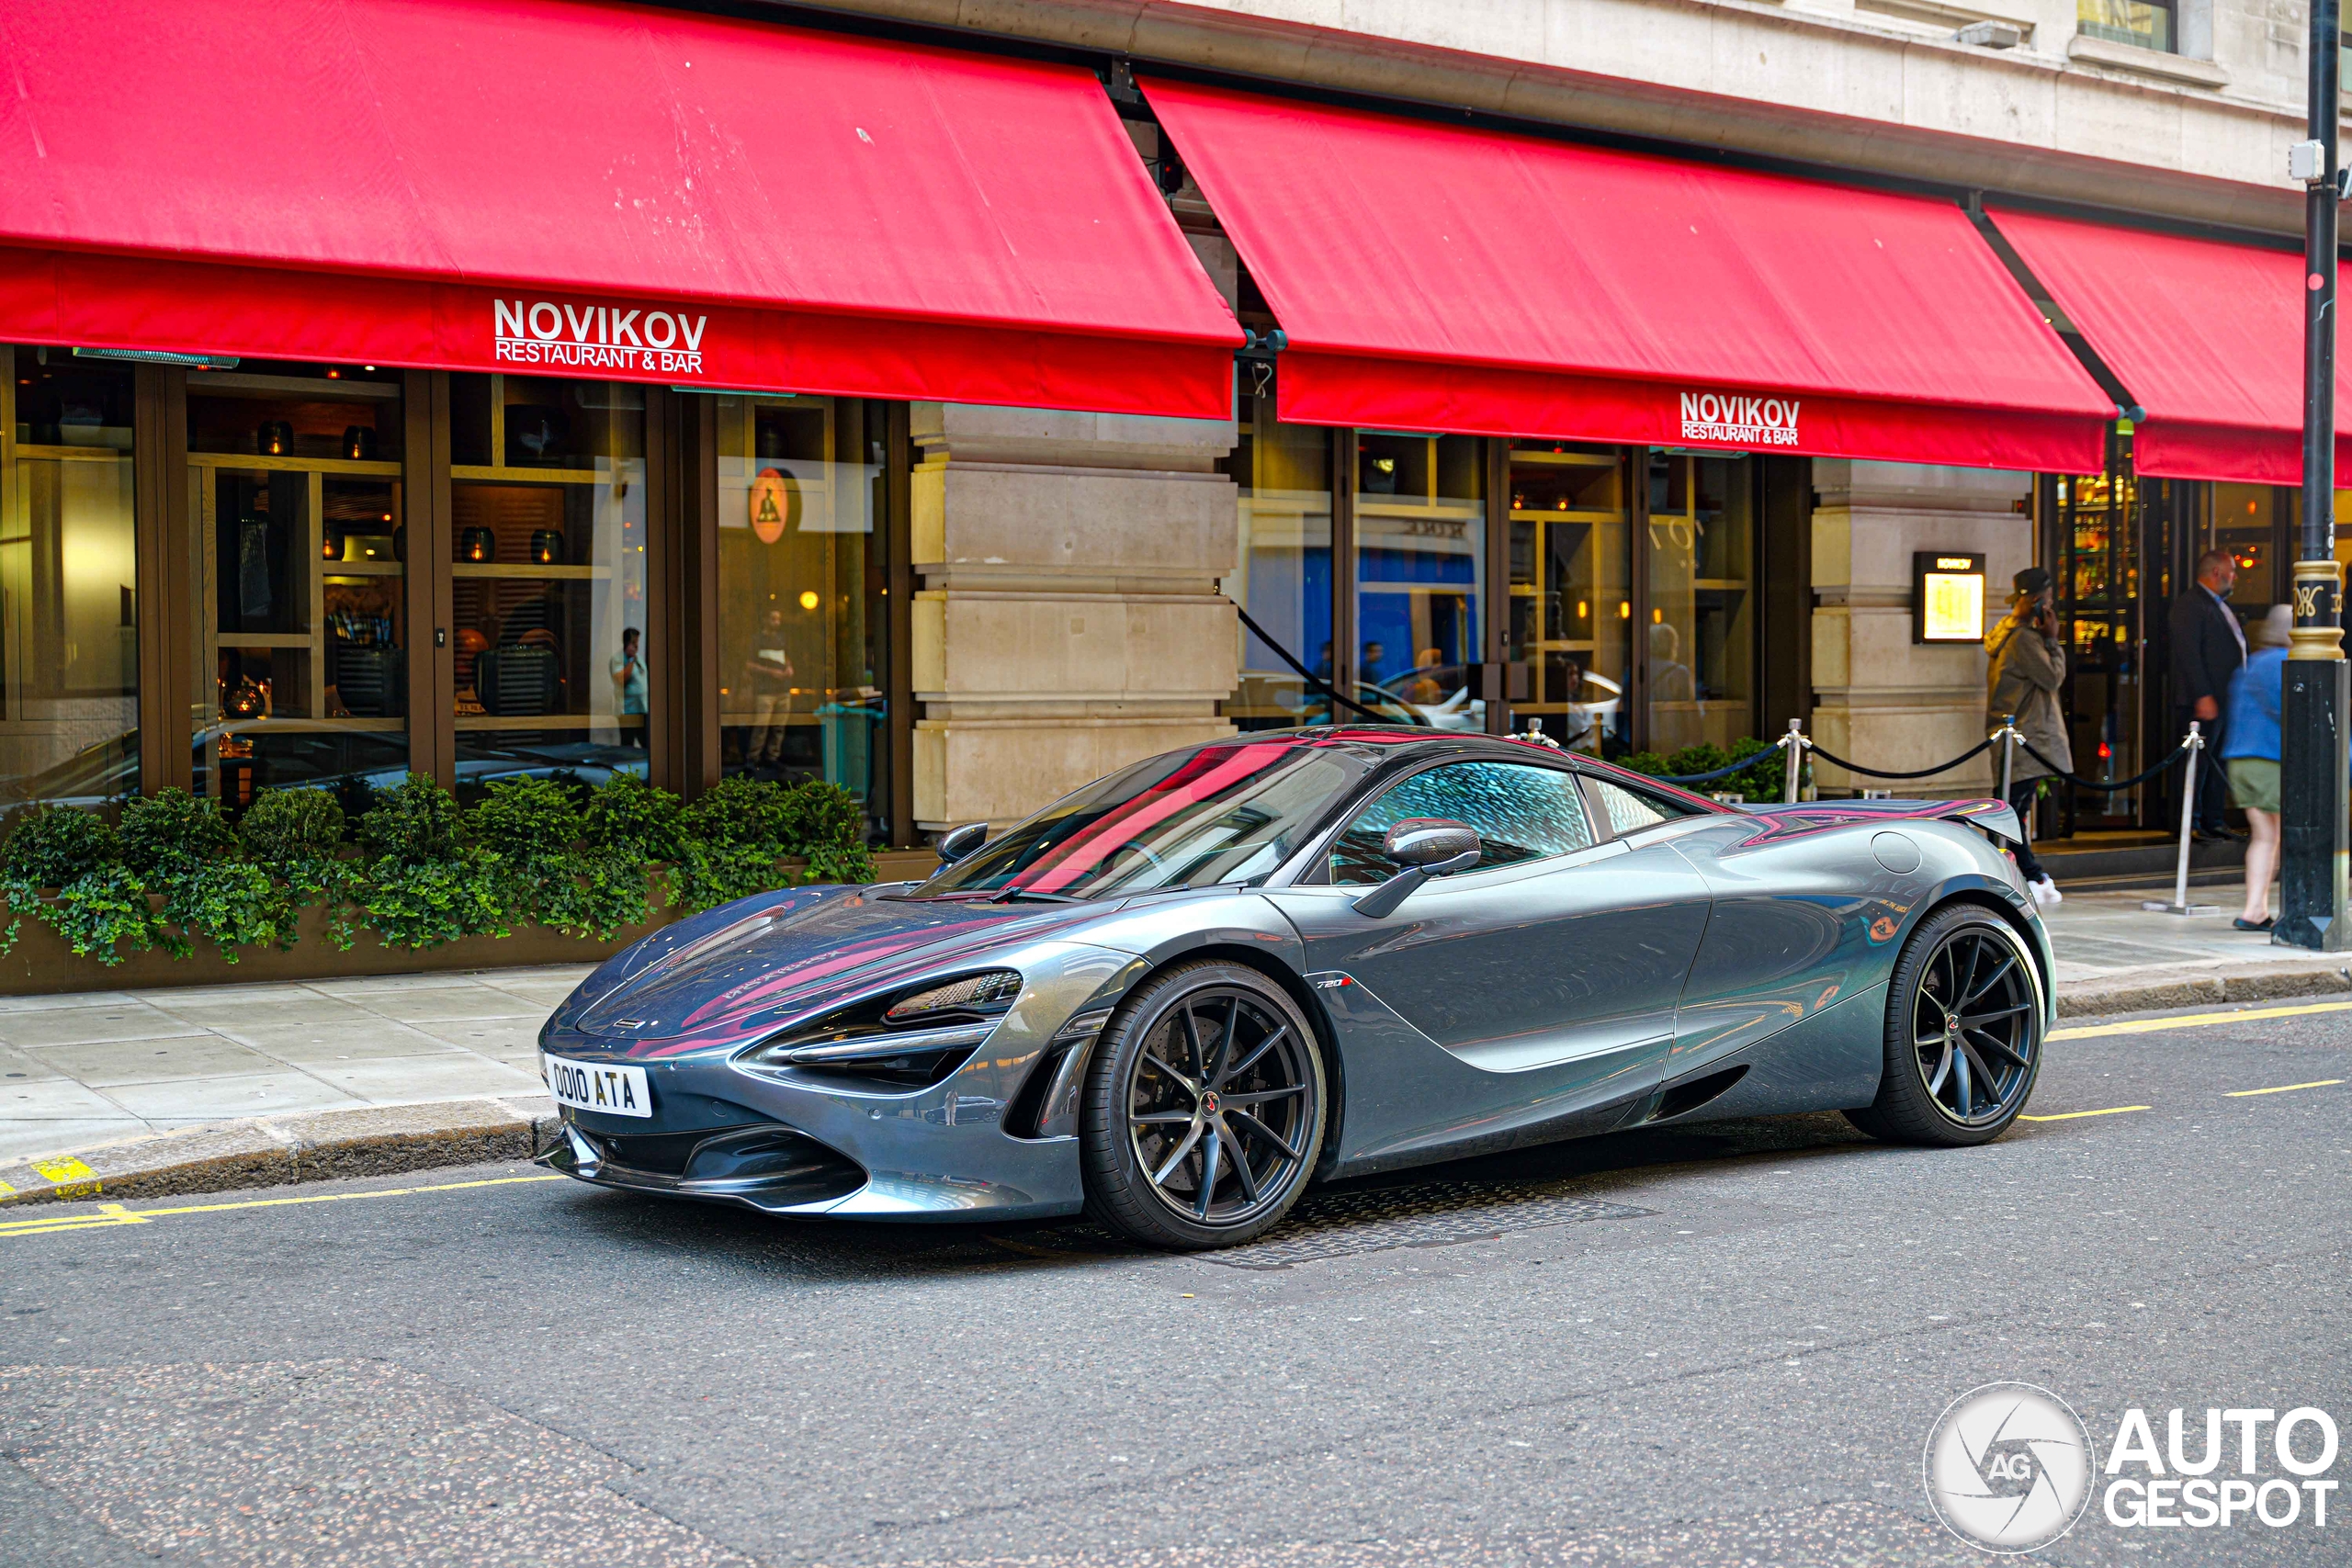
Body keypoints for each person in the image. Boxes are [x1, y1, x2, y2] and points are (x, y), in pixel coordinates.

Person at [1985, 566, 2069, 909]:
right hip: (2027, 736)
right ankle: (2033, 876)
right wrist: (2052, 637)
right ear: (2037, 602)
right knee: (2009, 813)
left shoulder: (2008, 634)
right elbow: (2052, 677)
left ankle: (2022, 874)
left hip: (2017, 735)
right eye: (2047, 601)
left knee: (2007, 810)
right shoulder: (2025, 639)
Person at [2222, 605, 2291, 931]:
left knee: (2264, 836)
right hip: (2269, 759)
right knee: (2279, 836)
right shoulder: (2286, 664)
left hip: (2241, 760)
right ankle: (2259, 910)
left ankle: (2255, 910)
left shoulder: (2251, 666)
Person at [2167, 547, 2246, 840]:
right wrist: (2203, 694)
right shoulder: (2190, 605)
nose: (2235, 577)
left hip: (2224, 699)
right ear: (2217, 573)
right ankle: (2190, 821)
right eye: (2232, 570)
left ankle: (2213, 818)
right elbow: (2189, 654)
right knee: (2197, 763)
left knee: (2216, 760)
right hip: (2202, 701)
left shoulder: (2217, 605)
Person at [608, 626, 648, 746]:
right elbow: (620, 680)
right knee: (628, 743)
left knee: (646, 742)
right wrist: (630, 661)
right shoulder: (618, 659)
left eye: (637, 642)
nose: (636, 646)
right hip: (627, 710)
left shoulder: (639, 658)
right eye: (634, 642)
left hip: (642, 708)